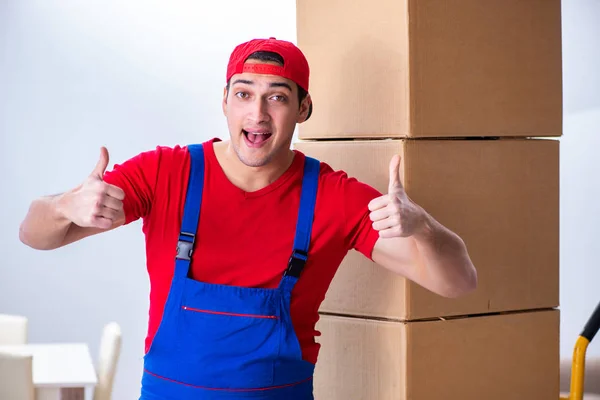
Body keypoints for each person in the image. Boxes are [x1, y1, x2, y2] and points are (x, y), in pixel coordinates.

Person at [19, 37, 477, 400]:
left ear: (303, 109)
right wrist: (64, 205)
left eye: (277, 97)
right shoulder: (165, 173)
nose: (257, 113)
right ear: (224, 102)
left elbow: (458, 283)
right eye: (244, 94)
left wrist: (422, 226)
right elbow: (33, 234)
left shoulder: (333, 197)